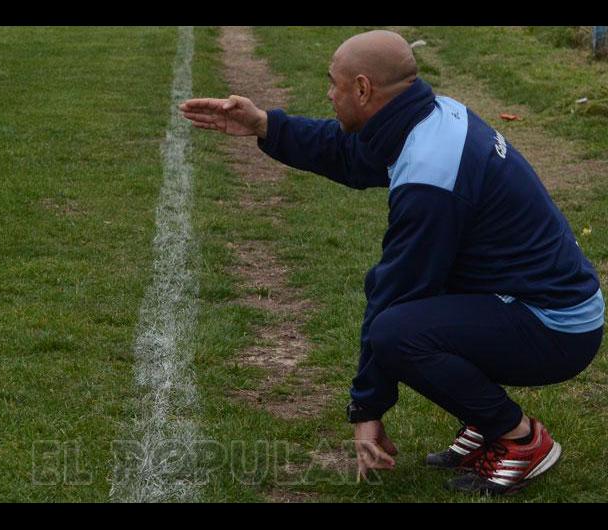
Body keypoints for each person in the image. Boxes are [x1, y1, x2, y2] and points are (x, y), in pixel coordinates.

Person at [179, 30, 604, 495]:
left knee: (397, 330)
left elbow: (398, 292)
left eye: (333, 83)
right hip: (538, 300)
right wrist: (266, 124)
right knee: (406, 319)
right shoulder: (431, 114)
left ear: (363, 89)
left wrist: (367, 410)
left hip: (557, 326)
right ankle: (486, 421)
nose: (327, 93)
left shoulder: (431, 174)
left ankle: (521, 439)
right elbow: (350, 153)